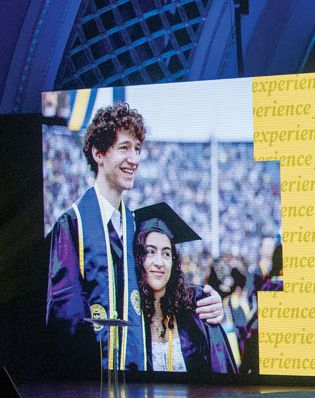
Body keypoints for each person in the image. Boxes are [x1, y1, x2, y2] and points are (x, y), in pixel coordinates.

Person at [46, 102, 223, 369]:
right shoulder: (73, 225)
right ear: (98, 153)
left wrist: (208, 302)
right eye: (124, 148)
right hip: (91, 383)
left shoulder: (134, 227)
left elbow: (162, 289)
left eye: (137, 149)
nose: (134, 159)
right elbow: (65, 316)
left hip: (140, 382)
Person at [135, 218, 236, 375]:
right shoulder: (126, 312)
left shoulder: (196, 308)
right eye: (150, 252)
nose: (159, 262)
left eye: (166, 254)